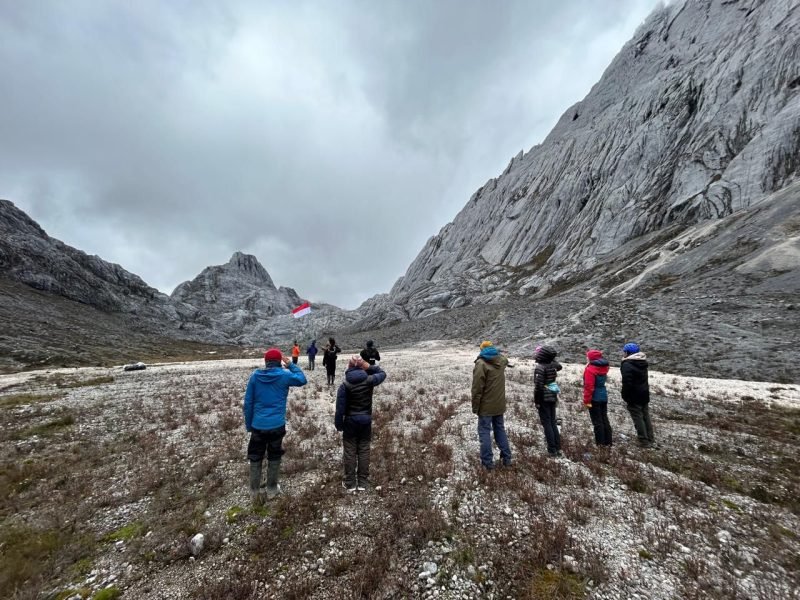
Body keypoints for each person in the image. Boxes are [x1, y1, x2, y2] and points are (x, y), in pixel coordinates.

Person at [243, 348, 307, 504]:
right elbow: (302, 379)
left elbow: (248, 403)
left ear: (266, 362)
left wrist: (249, 424)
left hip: (258, 424)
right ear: (279, 362)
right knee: (274, 455)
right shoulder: (284, 376)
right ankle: (271, 489)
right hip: (277, 425)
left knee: (255, 456)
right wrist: (290, 364)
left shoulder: (255, 377)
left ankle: (254, 491)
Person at [334, 355, 387, 492]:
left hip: (350, 421)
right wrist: (368, 366)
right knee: (364, 449)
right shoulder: (369, 380)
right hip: (366, 420)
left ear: (349, 367)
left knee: (350, 451)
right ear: (361, 367)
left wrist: (339, 425)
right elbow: (382, 373)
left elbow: (340, 409)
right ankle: (363, 482)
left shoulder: (344, 385)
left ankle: (350, 483)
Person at [471, 341, 513, 470]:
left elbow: (477, 389)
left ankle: (487, 464)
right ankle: (507, 459)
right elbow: (506, 360)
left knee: (484, 432)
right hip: (499, 404)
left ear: (482, 349)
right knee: (500, 429)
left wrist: (475, 407)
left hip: (486, 406)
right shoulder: (501, 360)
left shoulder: (481, 363)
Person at [620, 342, 655, 448]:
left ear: (627, 352)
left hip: (634, 395)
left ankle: (643, 440)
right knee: (645, 416)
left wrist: (625, 395)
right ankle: (650, 438)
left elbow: (627, 382)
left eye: (624, 352)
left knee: (638, 417)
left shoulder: (627, 364)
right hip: (644, 393)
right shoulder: (642, 362)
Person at [533, 345, 563, 457]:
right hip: (552, 395)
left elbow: (538, 387)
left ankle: (551, 449)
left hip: (544, 398)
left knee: (547, 423)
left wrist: (537, 401)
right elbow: (558, 366)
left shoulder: (540, 368)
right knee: (552, 422)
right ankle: (557, 447)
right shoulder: (552, 365)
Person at [583, 349, 612, 446]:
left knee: (597, 421)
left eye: (587, 356)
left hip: (594, 398)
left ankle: (600, 443)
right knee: (604, 419)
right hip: (603, 396)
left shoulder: (590, 370)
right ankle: (608, 442)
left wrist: (587, 401)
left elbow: (589, 387)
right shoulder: (604, 367)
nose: (586, 357)